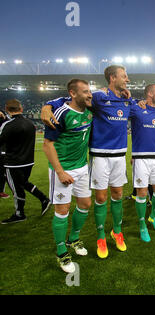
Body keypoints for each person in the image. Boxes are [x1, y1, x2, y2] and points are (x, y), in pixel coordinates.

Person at [41, 65, 135, 259]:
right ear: (112, 78)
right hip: (98, 157)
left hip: (118, 156)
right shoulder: (98, 97)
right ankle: (98, 237)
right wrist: (47, 105)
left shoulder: (127, 100)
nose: (127, 79)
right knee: (99, 199)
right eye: (124, 76)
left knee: (112, 195)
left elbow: (145, 107)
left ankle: (116, 232)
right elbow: (71, 98)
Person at [42, 79, 93, 273]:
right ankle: (61, 251)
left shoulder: (90, 110)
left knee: (85, 204)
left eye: (90, 91)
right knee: (62, 210)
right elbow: (47, 145)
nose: (90, 95)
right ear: (73, 93)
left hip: (82, 167)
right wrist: (60, 172)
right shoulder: (61, 113)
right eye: (85, 92)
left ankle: (74, 239)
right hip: (62, 169)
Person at [0, 99, 50, 224]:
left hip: (13, 162)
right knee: (22, 183)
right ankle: (43, 199)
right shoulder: (29, 123)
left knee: (16, 188)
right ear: (21, 109)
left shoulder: (7, 125)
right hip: (28, 161)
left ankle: (19, 214)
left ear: (7, 109)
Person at [129, 84, 155, 242]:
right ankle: (142, 225)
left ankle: (153, 216)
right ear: (150, 94)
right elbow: (123, 103)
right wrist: (136, 101)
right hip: (141, 158)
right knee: (142, 193)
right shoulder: (137, 108)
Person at [0, 109, 9, 199]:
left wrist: (4, 117)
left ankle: (1, 191)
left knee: (3, 173)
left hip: (3, 151)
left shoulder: (4, 123)